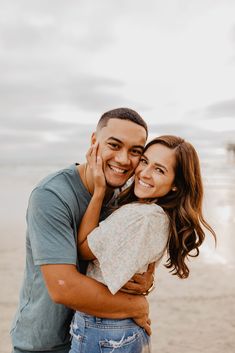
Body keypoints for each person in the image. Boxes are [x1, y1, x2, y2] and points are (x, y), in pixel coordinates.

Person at [10, 108, 156, 353]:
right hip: (45, 343)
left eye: (135, 151)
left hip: (99, 334)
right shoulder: (51, 195)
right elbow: (63, 286)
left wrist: (146, 279)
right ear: (93, 142)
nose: (123, 159)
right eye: (114, 145)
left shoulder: (127, 195)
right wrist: (136, 306)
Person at [69, 135, 216, 353]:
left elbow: (82, 249)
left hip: (104, 330)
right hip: (117, 329)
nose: (144, 173)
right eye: (145, 161)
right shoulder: (157, 211)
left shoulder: (142, 217)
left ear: (176, 185)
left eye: (160, 170)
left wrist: (99, 192)